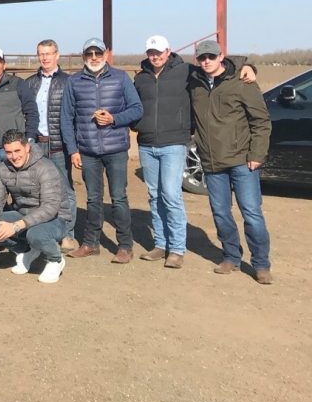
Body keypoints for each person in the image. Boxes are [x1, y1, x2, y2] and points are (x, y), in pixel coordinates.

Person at [133, 35, 256, 269]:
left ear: (168, 51)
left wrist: (248, 66)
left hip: (174, 142)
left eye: (159, 52)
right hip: (147, 143)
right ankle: (160, 243)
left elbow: (218, 67)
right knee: (154, 194)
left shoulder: (186, 71)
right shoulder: (141, 78)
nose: (155, 56)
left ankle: (177, 248)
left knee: (170, 194)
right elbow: (134, 105)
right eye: (151, 52)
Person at [187, 39, 273, 284]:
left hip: (242, 161)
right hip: (212, 162)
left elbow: (261, 121)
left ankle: (261, 264)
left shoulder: (242, 82)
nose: (206, 62)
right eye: (202, 58)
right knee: (221, 213)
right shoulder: (195, 84)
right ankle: (231, 257)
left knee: (251, 212)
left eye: (211, 57)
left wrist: (257, 154)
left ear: (221, 56)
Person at [62, 38, 143, 263]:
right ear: (84, 57)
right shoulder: (74, 81)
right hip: (87, 150)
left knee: (119, 197)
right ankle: (90, 243)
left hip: (115, 148)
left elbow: (137, 109)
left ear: (106, 54)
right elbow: (67, 118)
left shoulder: (120, 78)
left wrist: (114, 119)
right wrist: (73, 150)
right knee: (93, 198)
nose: (94, 58)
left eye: (98, 53)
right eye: (90, 54)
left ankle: (125, 246)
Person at [0, 130, 72, 284]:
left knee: (35, 234)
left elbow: (50, 207)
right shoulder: (3, 169)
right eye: (9, 152)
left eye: (17, 151)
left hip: (56, 219)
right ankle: (28, 250)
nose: (14, 156)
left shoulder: (45, 167)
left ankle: (55, 259)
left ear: (27, 147)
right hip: (23, 216)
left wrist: (15, 227)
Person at [24, 40, 78, 252]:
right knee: (37, 191)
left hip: (58, 144)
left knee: (64, 190)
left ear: (57, 55)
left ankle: (68, 234)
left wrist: (73, 145)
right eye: (41, 54)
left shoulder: (68, 82)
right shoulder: (29, 83)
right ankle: (41, 232)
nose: (45, 58)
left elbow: (74, 115)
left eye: (49, 53)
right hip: (37, 145)